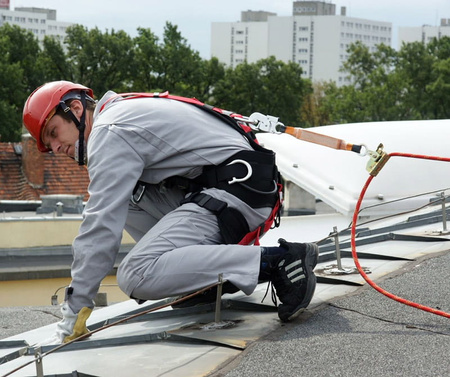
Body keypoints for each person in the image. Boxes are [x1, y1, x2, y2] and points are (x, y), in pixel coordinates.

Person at [22, 80, 319, 344]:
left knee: (135, 274)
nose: (56, 147)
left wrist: (74, 310)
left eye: (54, 133)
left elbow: (100, 227)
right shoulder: (121, 112)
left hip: (234, 192)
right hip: (238, 188)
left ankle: (280, 261)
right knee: (126, 197)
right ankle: (200, 283)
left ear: (75, 108)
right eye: (48, 145)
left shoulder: (109, 131)